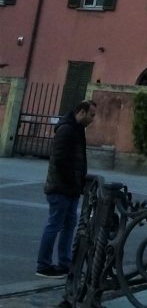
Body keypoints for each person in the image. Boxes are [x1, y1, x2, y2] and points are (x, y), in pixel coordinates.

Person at [35, 99, 96, 277]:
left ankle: (65, 263)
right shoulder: (67, 129)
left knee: (69, 225)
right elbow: (60, 160)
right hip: (61, 188)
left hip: (69, 188)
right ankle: (43, 265)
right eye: (91, 115)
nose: (93, 119)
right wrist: (73, 183)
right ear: (82, 112)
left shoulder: (76, 129)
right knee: (54, 225)